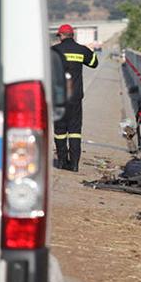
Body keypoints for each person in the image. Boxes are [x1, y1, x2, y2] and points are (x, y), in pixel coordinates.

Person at [51, 24, 99, 172]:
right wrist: (90, 50)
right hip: (75, 97)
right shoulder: (81, 50)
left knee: (59, 131)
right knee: (75, 130)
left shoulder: (54, 51)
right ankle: (74, 164)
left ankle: (61, 161)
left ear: (60, 36)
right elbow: (94, 63)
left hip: (59, 98)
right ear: (73, 35)